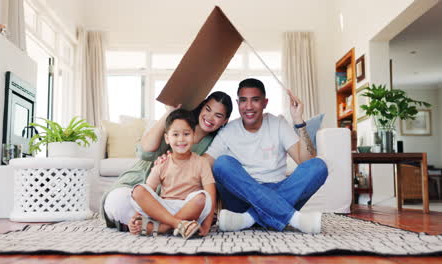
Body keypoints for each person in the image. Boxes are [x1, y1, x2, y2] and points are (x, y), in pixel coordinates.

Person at [204, 78, 328, 234]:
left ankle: (248, 219)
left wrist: (298, 120)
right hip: (242, 197)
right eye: (243, 100)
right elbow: (205, 163)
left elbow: (306, 161)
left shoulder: (278, 124)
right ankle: (293, 219)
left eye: (255, 100)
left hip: (277, 190)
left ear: (265, 102)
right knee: (222, 164)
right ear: (238, 103)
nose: (248, 106)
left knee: (318, 166)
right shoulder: (228, 131)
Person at [101, 91, 232, 236]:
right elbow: (146, 153)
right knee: (118, 202)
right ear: (201, 107)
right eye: (207, 109)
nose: (210, 117)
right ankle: (175, 224)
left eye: (218, 115)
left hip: (179, 200)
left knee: (200, 201)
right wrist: (169, 112)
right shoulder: (178, 123)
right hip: (146, 184)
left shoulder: (216, 144)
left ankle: (161, 226)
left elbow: (206, 186)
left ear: (225, 121)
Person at [130, 109, 215, 239]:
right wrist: (136, 217)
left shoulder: (202, 162)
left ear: (193, 135)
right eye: (175, 135)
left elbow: (210, 194)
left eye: (186, 134)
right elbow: (147, 193)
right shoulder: (162, 163)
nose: (181, 139)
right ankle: (177, 224)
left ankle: (162, 228)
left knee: (202, 198)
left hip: (189, 210)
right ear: (167, 138)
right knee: (138, 190)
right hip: (164, 209)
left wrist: (207, 225)